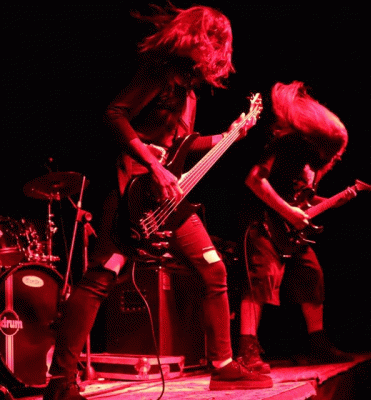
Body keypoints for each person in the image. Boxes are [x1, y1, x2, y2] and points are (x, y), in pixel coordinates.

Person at [44, 4, 272, 400]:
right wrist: (152, 165)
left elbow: (181, 145)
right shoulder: (158, 71)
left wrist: (229, 135)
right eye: (215, 41)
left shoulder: (189, 90)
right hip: (133, 189)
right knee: (100, 278)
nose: (219, 52)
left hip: (168, 197)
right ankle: (60, 382)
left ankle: (223, 367)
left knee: (214, 270)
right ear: (197, 37)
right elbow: (115, 114)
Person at [237, 81, 355, 373]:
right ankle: (247, 348)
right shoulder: (287, 145)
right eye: (336, 151)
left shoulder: (314, 160)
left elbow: (301, 196)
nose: (338, 157)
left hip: (288, 227)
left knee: (311, 276)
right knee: (261, 279)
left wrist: (331, 202)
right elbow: (254, 180)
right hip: (263, 221)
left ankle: (318, 344)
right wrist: (288, 212)